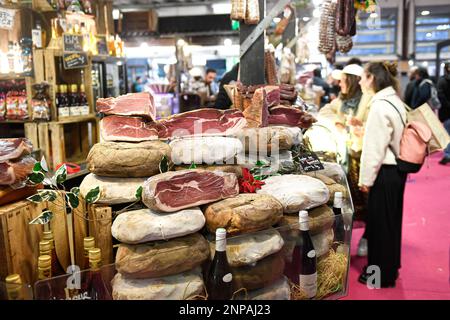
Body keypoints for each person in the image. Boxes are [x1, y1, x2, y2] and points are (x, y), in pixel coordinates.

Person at [358, 61, 407, 288]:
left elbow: (374, 149)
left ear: (372, 79)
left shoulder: (379, 105)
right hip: (395, 171)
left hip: (384, 172)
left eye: (363, 76)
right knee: (391, 224)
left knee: (379, 227)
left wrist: (365, 180)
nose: (360, 81)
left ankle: (378, 277)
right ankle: (389, 270)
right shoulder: (394, 100)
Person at [319, 64, 373, 247]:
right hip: (347, 156)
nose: (339, 83)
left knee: (367, 200)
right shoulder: (341, 100)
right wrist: (338, 122)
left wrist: (355, 126)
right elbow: (324, 111)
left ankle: (367, 237)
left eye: (342, 80)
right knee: (350, 199)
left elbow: (372, 128)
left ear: (350, 81)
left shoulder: (369, 100)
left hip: (364, 157)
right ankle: (347, 236)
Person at [438, 62, 450, 165]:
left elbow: (440, 96)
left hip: (446, 112)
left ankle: (447, 154)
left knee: (447, 134)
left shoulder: (441, 81)